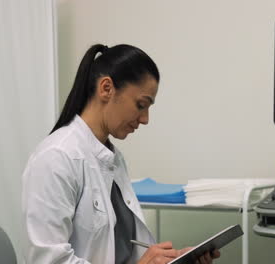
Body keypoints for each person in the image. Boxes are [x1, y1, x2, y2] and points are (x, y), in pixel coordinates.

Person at [22, 44, 220, 264]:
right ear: (106, 88)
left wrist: (172, 260)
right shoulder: (56, 157)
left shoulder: (113, 159)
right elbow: (48, 260)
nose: (145, 119)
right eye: (141, 105)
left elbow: (121, 252)